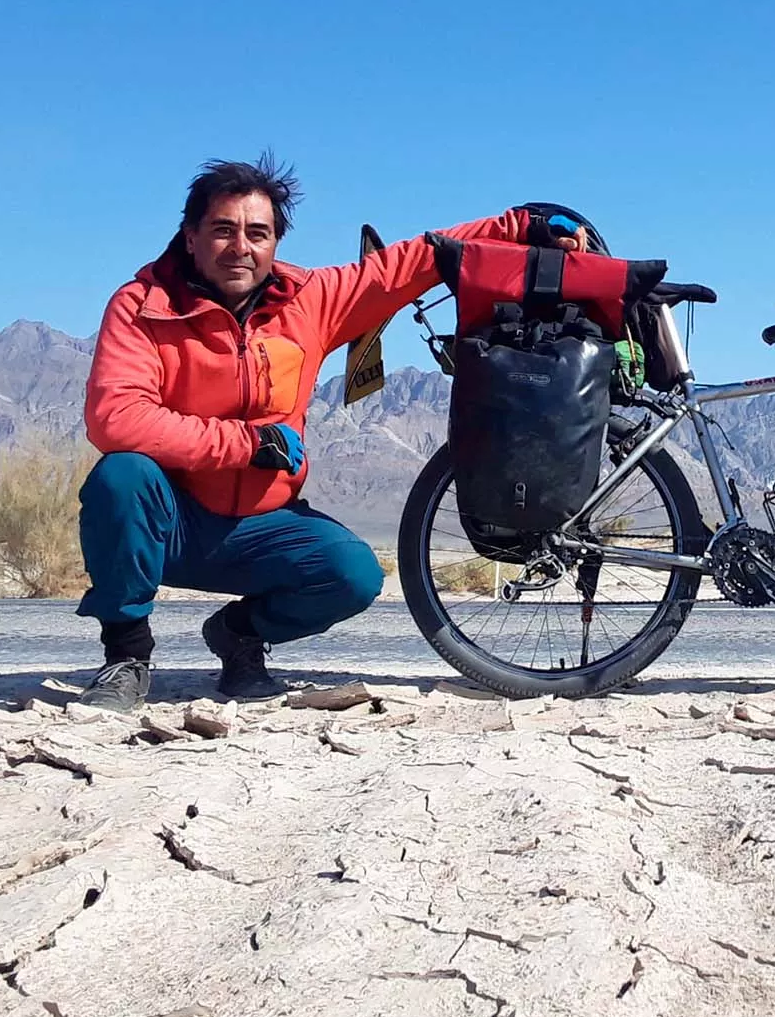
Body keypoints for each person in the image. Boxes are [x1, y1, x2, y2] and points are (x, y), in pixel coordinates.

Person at [75, 154, 586, 711]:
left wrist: (519, 227)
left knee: (353, 574)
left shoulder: (310, 300)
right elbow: (115, 417)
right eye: (222, 230)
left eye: (257, 233)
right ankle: (126, 657)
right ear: (190, 237)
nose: (240, 247)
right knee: (122, 476)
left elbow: (411, 262)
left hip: (262, 529)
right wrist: (247, 444)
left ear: (275, 243)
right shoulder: (142, 305)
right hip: (173, 523)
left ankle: (240, 636)